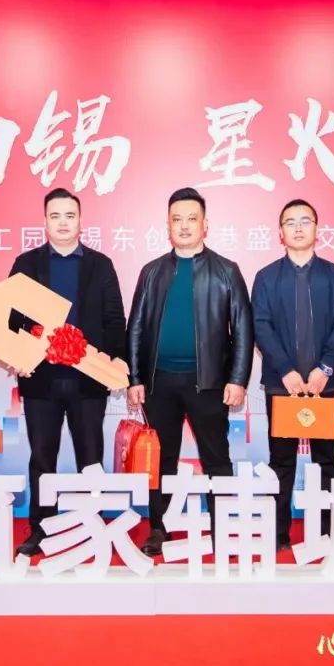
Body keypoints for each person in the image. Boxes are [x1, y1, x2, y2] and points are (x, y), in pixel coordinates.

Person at [126, 186, 253, 556]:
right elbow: (135, 328)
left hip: (209, 383)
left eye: (191, 219)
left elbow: (243, 328)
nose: (184, 226)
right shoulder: (152, 272)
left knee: (216, 457)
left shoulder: (227, 271)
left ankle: (223, 528)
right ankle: (159, 528)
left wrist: (238, 379)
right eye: (176, 220)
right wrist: (135, 378)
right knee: (160, 459)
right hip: (159, 383)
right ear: (167, 226)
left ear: (205, 224)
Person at [9, 187, 127, 556]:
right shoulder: (27, 264)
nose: (63, 223)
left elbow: (114, 319)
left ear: (80, 221)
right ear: (44, 221)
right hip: (40, 379)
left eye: (70, 216)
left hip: (88, 379)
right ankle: (41, 529)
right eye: (55, 216)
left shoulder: (100, 265)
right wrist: (21, 351)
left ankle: (93, 526)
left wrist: (115, 361)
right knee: (42, 457)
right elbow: (12, 318)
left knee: (90, 457)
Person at [251, 199, 334, 549]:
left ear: (317, 229)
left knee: (326, 461)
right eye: (290, 222)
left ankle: (326, 533)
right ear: (280, 232)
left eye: (305, 221)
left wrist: (324, 369)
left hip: (324, 385)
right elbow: (261, 326)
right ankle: (278, 534)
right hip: (282, 387)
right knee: (281, 462)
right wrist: (286, 371)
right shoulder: (266, 278)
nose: (298, 228)